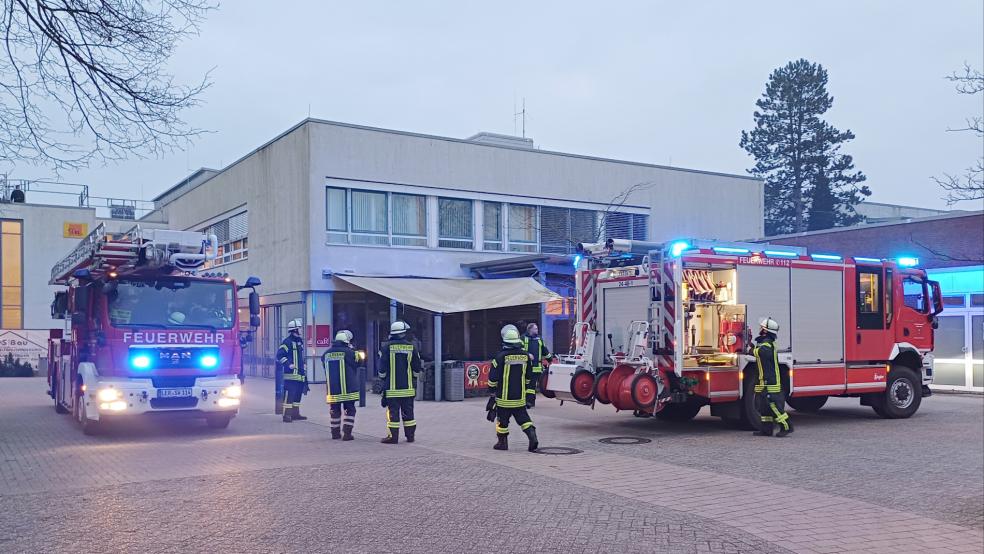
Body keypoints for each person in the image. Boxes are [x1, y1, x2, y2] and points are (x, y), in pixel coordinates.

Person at [488, 325, 539, 452]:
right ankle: (532, 435)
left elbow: (493, 378)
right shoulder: (525, 356)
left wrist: (492, 391)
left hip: (504, 398)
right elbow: (528, 376)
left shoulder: (500, 357)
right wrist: (526, 391)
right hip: (519, 397)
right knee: (523, 418)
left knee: (502, 421)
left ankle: (502, 443)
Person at [378, 320, 421, 444]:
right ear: (403, 333)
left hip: (392, 389)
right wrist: (413, 377)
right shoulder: (411, 347)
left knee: (393, 413)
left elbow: (382, 368)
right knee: (409, 414)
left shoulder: (386, 347)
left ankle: (393, 437)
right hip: (407, 388)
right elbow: (416, 366)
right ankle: (410, 436)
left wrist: (383, 379)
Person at [753, 317, 792, 437]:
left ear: (765, 331)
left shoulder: (767, 345)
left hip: (770, 381)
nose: (759, 329)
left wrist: (751, 350)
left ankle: (786, 426)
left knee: (773, 405)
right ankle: (766, 430)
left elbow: (761, 352)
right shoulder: (765, 342)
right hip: (763, 380)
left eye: (761, 328)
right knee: (764, 407)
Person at [322, 330, 361, 441]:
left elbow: (324, 366)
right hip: (348, 389)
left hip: (333, 389)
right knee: (350, 410)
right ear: (347, 341)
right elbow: (359, 362)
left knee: (334, 410)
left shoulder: (326, 353)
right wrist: (353, 349)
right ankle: (347, 434)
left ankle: (335, 433)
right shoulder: (349, 352)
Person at [278, 319, 307, 423]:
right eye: (299, 328)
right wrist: (288, 364)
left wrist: (303, 365)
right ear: (295, 329)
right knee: (289, 395)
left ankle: (295, 414)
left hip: (300, 374)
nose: (301, 330)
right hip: (291, 375)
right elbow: (280, 355)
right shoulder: (287, 342)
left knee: (298, 395)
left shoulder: (299, 341)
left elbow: (300, 356)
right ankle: (287, 415)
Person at [522, 322, 552, 407]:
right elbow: (520, 350)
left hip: (537, 367)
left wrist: (550, 359)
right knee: (528, 385)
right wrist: (527, 355)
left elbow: (544, 350)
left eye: (537, 328)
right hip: (526, 366)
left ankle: (530, 402)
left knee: (533, 385)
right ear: (530, 329)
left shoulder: (539, 339)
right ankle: (529, 401)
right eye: (535, 328)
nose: (537, 330)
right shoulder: (523, 338)